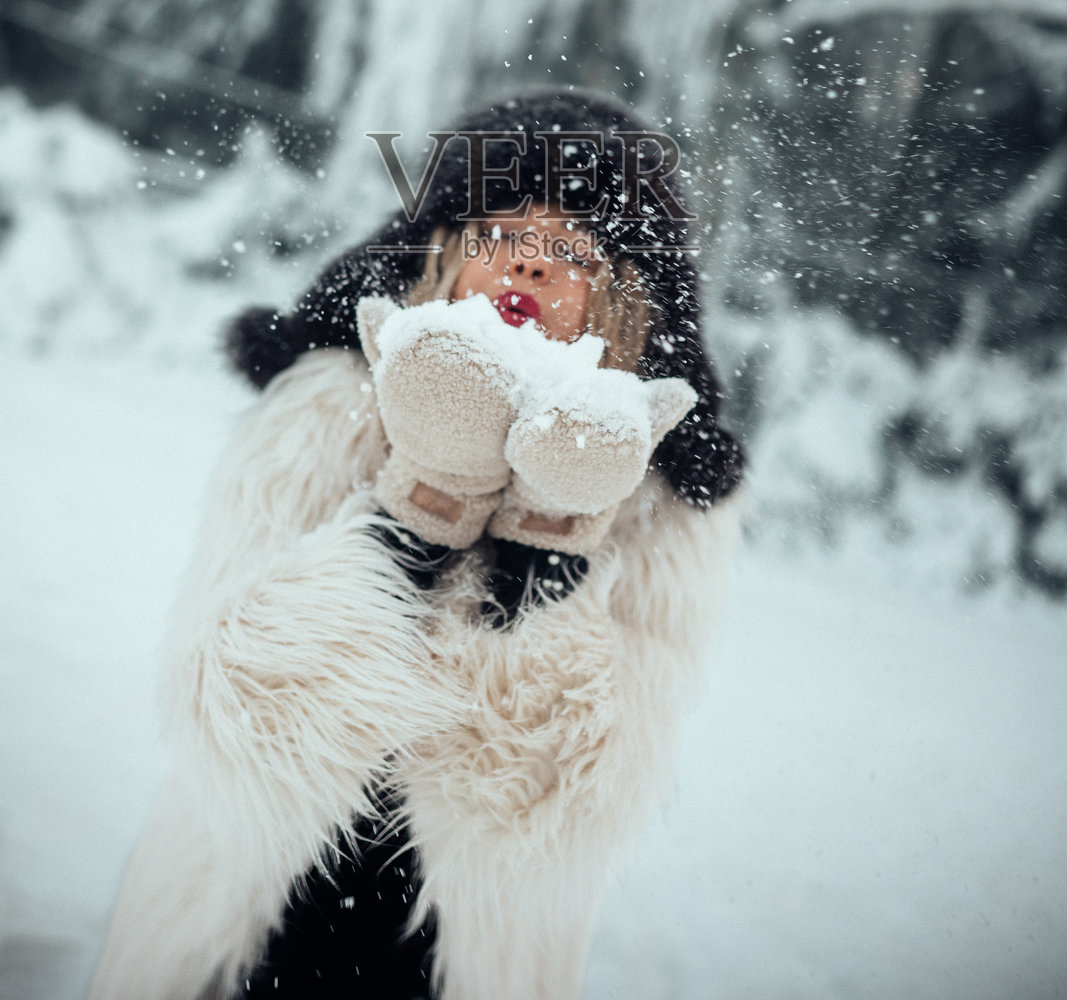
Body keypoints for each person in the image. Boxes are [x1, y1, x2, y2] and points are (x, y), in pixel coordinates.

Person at [89, 86, 744, 1000]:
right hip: (238, 918)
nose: (528, 269)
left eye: (572, 252)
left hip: (458, 956)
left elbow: (567, 802)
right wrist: (419, 513)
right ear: (441, 252)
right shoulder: (332, 403)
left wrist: (547, 546)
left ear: (624, 301)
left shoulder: (656, 505)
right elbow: (235, 701)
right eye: (498, 235)